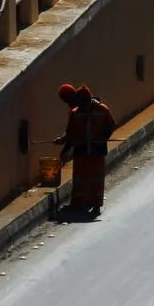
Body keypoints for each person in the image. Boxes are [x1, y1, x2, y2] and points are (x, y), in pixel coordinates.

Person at [54, 83, 116, 214]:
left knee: (96, 177)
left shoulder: (102, 110)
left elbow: (111, 125)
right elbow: (70, 132)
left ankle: (96, 204)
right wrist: (64, 145)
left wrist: (103, 138)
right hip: (81, 150)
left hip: (97, 150)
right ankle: (80, 203)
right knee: (80, 177)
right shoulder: (76, 113)